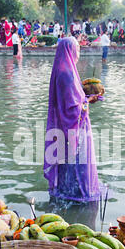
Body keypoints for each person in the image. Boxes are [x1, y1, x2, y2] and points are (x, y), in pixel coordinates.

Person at [44, 37, 101, 203]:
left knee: (67, 159)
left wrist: (84, 98)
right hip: (75, 127)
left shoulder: (61, 69)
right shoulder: (68, 75)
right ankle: (78, 192)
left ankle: (65, 187)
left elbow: (68, 101)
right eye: (77, 49)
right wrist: (89, 100)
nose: (78, 53)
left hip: (63, 126)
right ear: (69, 50)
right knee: (77, 159)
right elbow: (75, 108)